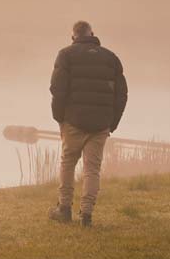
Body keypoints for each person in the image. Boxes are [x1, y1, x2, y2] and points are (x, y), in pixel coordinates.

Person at [49, 20, 127, 226]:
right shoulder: (111, 58)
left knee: (67, 163)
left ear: (73, 36)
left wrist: (60, 119)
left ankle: (64, 209)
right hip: (100, 125)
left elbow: (57, 89)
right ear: (92, 34)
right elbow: (122, 95)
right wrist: (111, 123)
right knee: (92, 169)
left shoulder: (65, 55)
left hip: (73, 121)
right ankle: (86, 215)